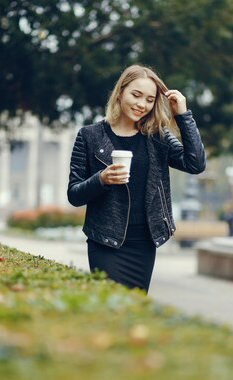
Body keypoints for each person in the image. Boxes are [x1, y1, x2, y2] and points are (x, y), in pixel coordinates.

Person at [67, 64, 206, 293]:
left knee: (133, 309)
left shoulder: (157, 137)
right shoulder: (89, 136)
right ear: (120, 92)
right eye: (136, 95)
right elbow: (74, 194)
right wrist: (101, 179)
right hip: (105, 241)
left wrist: (183, 115)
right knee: (110, 305)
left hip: (144, 242)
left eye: (150, 99)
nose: (142, 104)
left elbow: (195, 164)